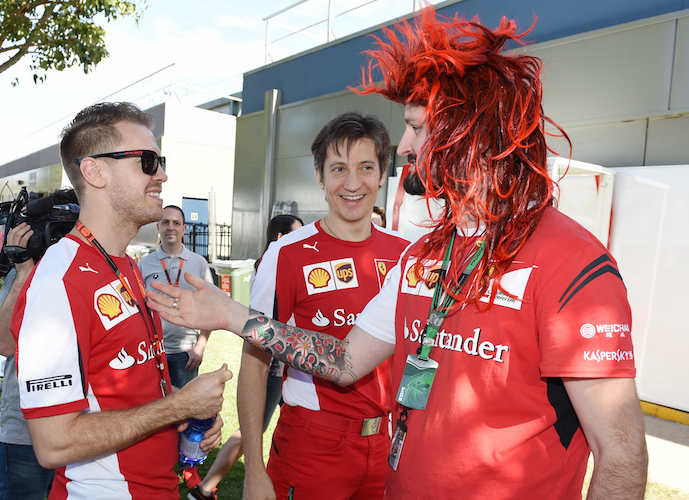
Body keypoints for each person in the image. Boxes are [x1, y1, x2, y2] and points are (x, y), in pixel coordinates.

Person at [146, 10, 649, 500]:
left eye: (417, 127)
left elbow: (622, 456)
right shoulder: (423, 257)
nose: (405, 144)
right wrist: (231, 315)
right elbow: (343, 361)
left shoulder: (573, 264)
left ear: (466, 133)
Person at [10, 101, 232, 499]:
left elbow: (126, 391)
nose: (162, 174)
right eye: (147, 161)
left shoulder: (125, 265)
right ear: (95, 171)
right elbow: (53, 442)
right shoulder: (59, 280)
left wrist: (185, 418)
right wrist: (177, 408)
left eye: (160, 161)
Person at [237, 111, 409, 500]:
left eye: (366, 167)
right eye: (338, 169)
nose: (352, 184)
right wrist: (253, 471)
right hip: (312, 444)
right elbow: (254, 365)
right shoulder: (286, 254)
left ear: (383, 174)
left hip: (387, 443)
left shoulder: (406, 255)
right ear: (319, 176)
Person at [189, 213, 303, 500]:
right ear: (279, 238)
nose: (303, 241)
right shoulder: (273, 265)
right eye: (296, 234)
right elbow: (265, 323)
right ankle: (204, 490)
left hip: (281, 366)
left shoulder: (269, 263)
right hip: (271, 365)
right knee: (250, 434)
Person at [0, 189, 77, 500]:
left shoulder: (93, 271)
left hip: (84, 432)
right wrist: (25, 270)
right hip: (25, 435)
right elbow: (3, 342)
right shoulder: (23, 270)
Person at [138, 204, 216, 487]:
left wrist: (200, 347)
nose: (170, 227)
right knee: (155, 410)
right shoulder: (144, 264)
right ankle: (156, 462)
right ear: (158, 227)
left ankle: (188, 467)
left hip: (185, 353)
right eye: (165, 222)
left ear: (184, 229)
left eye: (176, 223)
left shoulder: (198, 263)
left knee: (186, 410)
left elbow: (210, 309)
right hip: (152, 355)